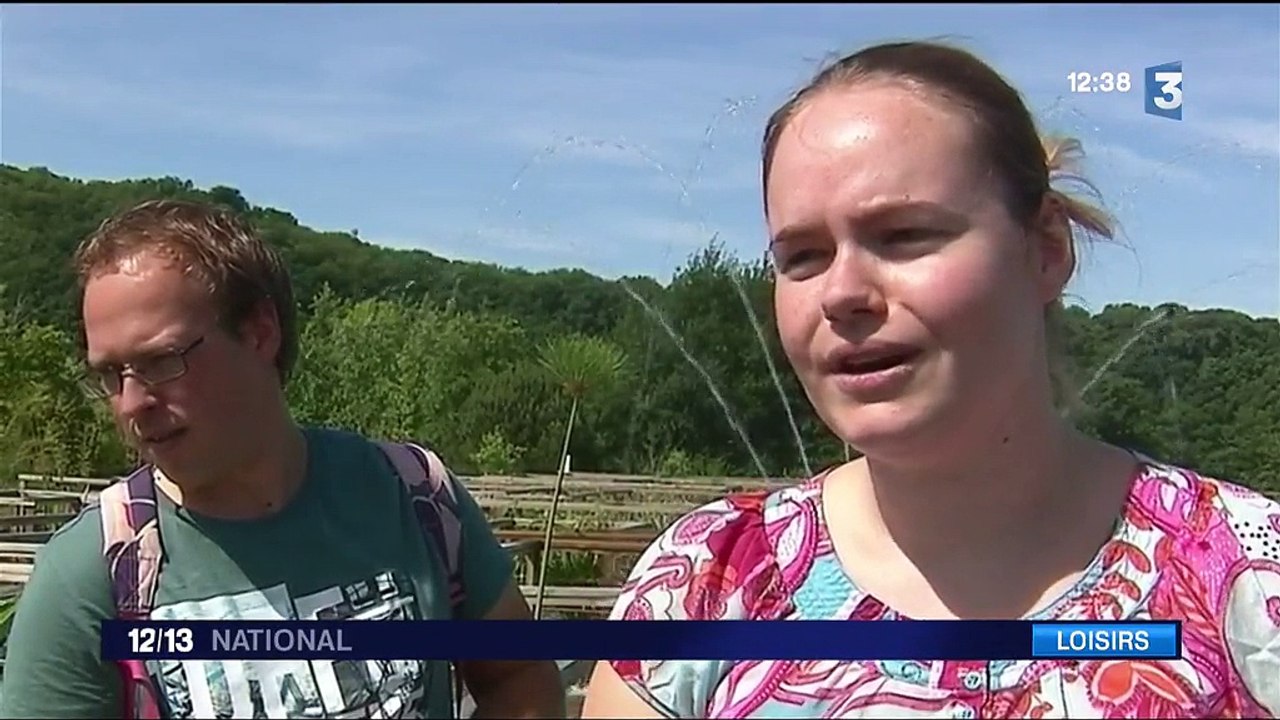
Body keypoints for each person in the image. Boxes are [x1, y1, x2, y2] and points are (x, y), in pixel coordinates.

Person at [582, 40, 1280, 719]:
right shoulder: (705, 582)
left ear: (1045, 249)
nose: (842, 292)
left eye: (904, 235)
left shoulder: (1248, 579)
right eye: (802, 256)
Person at [0, 199, 566, 719]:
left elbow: (518, 674)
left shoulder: (414, 495)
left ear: (258, 332)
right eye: (109, 373)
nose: (131, 403)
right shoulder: (92, 576)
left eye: (160, 361)